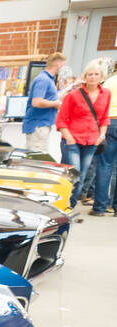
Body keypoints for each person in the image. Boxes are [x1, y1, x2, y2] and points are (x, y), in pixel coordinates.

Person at [57, 60, 110, 210]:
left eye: (96, 74)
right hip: (72, 140)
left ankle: (69, 207)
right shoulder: (73, 95)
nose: (92, 77)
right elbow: (61, 119)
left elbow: (104, 117)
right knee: (74, 175)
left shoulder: (105, 94)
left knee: (82, 177)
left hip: (92, 141)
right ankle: (64, 207)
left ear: (101, 76)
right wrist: (69, 138)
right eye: (89, 74)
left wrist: (102, 136)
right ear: (85, 76)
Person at [23, 52, 66, 155]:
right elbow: (36, 102)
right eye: (63, 65)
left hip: (43, 124)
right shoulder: (43, 80)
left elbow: (51, 98)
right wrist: (56, 104)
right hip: (38, 125)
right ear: (58, 65)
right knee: (36, 158)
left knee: (40, 155)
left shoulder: (49, 80)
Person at [90, 63, 117, 215]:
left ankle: (99, 207)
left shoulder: (110, 81)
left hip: (111, 122)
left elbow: (100, 103)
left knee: (105, 165)